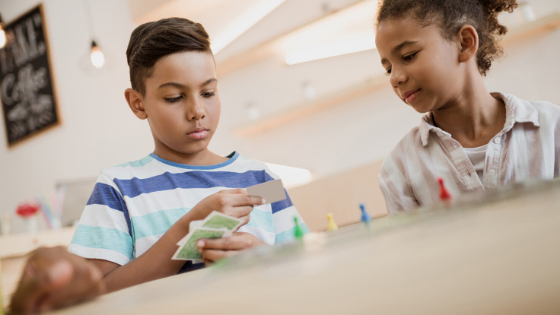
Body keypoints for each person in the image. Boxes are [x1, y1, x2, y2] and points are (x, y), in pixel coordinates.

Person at [10, 17, 309, 314]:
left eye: (208, 92)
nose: (197, 111)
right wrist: (187, 230)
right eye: (175, 97)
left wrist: (264, 257)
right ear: (138, 103)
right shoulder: (118, 188)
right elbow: (93, 297)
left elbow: (307, 266)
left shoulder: (261, 178)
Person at [375, 0, 560, 213]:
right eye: (389, 69)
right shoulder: (399, 170)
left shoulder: (552, 128)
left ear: (464, 43)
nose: (395, 78)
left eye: (408, 56)